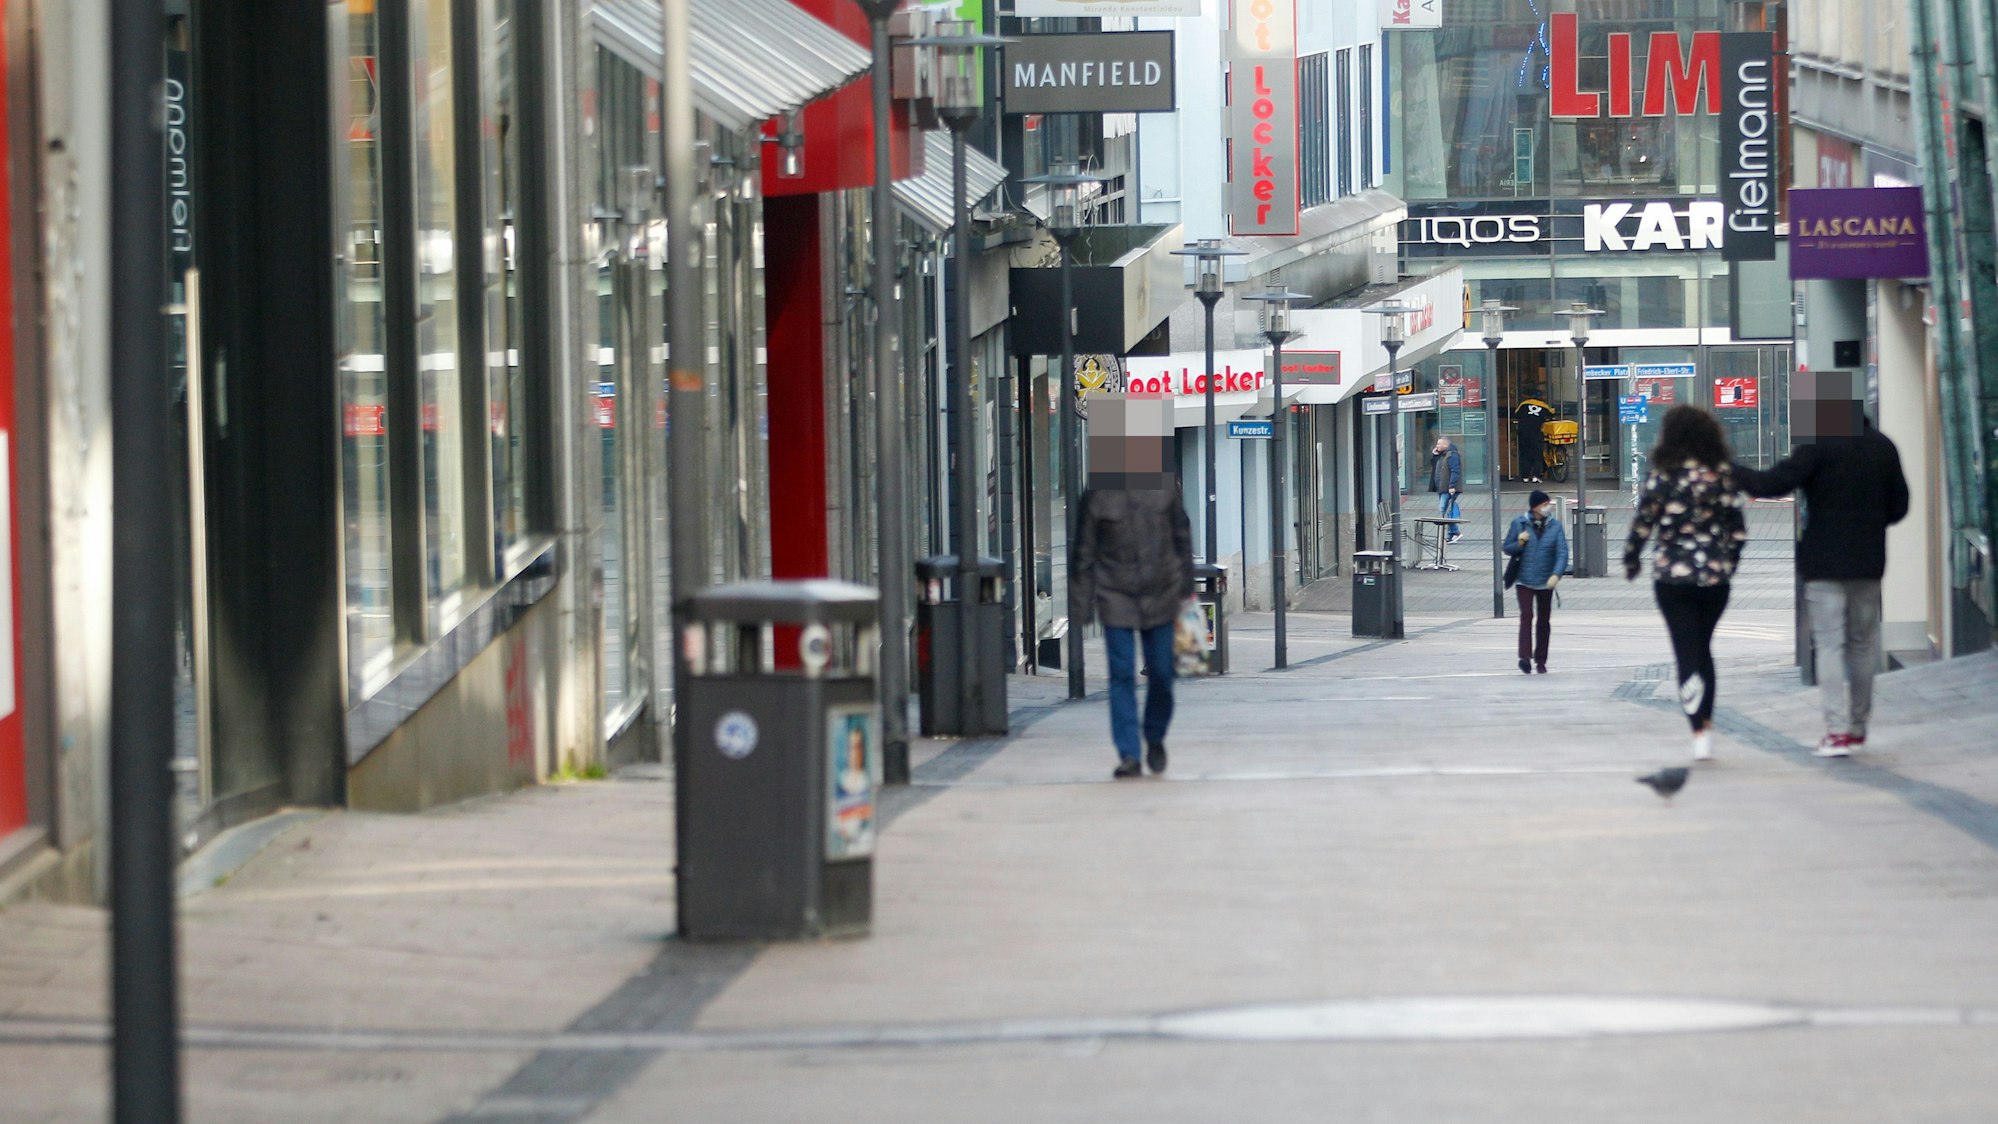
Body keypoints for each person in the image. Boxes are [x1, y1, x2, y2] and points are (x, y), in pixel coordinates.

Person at [1734, 410, 1910, 757]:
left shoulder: (1817, 447)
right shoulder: (1883, 447)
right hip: (1868, 564)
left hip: (1823, 566)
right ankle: (1858, 726)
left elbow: (1771, 484)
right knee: (1862, 646)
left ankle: (1836, 731)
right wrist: (1871, 519)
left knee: (1829, 646)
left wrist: (1731, 468)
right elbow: (1900, 507)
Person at [1070, 396, 1196, 779]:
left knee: (1161, 672)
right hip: (1116, 595)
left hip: (1162, 590)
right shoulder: (1097, 494)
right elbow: (1083, 553)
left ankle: (1154, 736)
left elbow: (1181, 537)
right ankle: (1128, 753)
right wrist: (1080, 606)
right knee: (1121, 674)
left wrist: (1187, 590)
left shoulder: (1164, 487)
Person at [1623, 406, 1751, 762]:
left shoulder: (1662, 475)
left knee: (1685, 648)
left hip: (1672, 578)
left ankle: (1696, 728)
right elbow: (1737, 529)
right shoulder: (1721, 475)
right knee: (1703, 647)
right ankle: (1705, 725)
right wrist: (1729, 564)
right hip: (1714, 578)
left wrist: (1632, 559)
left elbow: (1643, 521)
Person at [1503, 489, 1569, 674]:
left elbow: (1562, 552)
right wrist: (1519, 544)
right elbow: (1507, 547)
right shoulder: (1519, 524)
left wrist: (1556, 574)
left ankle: (1541, 660)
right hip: (1523, 579)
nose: (1547, 508)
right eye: (1544, 504)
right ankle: (1524, 657)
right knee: (1526, 616)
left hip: (1545, 580)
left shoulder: (1554, 526)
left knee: (1543, 620)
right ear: (1535, 507)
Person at [1514, 392, 1555, 483]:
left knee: (1525, 454)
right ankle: (1536, 476)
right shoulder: (1544, 406)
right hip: (1536, 432)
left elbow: (1516, 414)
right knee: (1537, 455)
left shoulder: (1523, 404)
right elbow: (1551, 414)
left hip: (1523, 432)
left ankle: (1525, 476)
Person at [1429, 436, 1464, 543]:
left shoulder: (1452, 455)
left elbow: (1455, 471)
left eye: (1439, 444)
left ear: (1446, 445)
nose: (1437, 446)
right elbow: (1434, 466)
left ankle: (1456, 532)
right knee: (1447, 510)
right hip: (1442, 487)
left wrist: (1452, 486)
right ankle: (1451, 534)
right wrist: (1435, 455)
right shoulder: (1442, 455)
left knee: (1444, 509)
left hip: (1447, 488)